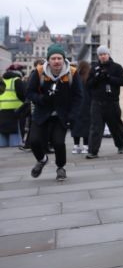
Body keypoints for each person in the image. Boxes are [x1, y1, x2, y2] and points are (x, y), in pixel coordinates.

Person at [26, 44, 82, 181]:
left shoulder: (72, 73)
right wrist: (41, 99)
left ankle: (60, 168)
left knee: (58, 143)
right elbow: (29, 92)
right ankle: (42, 159)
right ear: (48, 60)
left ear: (64, 59)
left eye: (59, 58)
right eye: (53, 58)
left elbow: (78, 96)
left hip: (61, 116)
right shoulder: (39, 72)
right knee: (34, 141)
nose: (56, 61)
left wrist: (72, 115)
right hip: (41, 114)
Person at [85, 46, 123, 158]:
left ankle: (120, 145)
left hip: (112, 102)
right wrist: (96, 78)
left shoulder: (117, 67)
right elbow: (88, 84)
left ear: (108, 54)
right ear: (98, 56)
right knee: (95, 128)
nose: (103, 56)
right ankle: (93, 151)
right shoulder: (94, 68)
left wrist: (109, 78)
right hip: (97, 102)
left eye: (104, 54)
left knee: (116, 127)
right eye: (100, 55)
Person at [0, 63, 26, 147]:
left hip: (1, 110)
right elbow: (23, 95)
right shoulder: (16, 80)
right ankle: (14, 145)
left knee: (2, 132)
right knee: (15, 134)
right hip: (16, 110)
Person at [70, 60, 91, 154]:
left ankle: (76, 146)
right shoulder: (89, 77)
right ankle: (86, 146)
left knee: (76, 126)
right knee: (86, 125)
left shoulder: (75, 77)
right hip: (87, 104)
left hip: (76, 104)